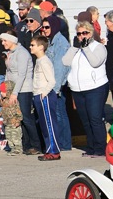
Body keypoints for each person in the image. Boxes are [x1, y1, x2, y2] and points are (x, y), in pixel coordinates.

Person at [64, 20, 108, 158]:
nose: (82, 36)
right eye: (79, 34)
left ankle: (101, 148)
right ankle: (91, 147)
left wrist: (86, 48)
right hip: (78, 89)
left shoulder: (98, 47)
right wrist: (74, 48)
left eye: (85, 33)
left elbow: (95, 62)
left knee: (95, 118)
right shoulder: (76, 48)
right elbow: (65, 61)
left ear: (91, 33)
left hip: (95, 87)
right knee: (85, 120)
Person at [0, 32, 39, 156]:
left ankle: (36, 145)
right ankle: (25, 145)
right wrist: (5, 89)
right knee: (19, 119)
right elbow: (8, 72)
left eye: (5, 40)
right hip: (13, 90)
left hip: (23, 90)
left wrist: (15, 93)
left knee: (26, 118)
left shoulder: (22, 53)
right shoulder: (10, 53)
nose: (3, 43)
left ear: (12, 40)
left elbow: (22, 75)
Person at [42, 17, 72, 151]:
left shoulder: (60, 43)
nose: (44, 30)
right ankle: (61, 142)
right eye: (43, 27)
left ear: (54, 27)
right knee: (57, 114)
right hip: (52, 85)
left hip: (57, 86)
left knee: (60, 114)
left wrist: (55, 89)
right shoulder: (51, 41)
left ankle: (65, 143)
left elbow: (60, 68)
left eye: (47, 27)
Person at [29, 35, 60, 161]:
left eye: (33, 45)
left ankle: (54, 151)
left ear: (41, 47)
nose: (30, 47)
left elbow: (52, 81)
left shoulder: (44, 61)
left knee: (49, 124)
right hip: (38, 94)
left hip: (45, 95)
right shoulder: (39, 61)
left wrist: (44, 93)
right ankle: (49, 149)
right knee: (44, 124)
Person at [0, 80, 23, 155]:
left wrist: (18, 120)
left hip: (14, 122)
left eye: (3, 92)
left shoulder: (14, 101)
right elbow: (4, 109)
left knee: (15, 136)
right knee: (9, 136)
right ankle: (12, 148)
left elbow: (18, 111)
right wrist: (0, 113)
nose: (1, 93)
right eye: (0, 92)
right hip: (7, 123)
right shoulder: (4, 101)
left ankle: (18, 149)